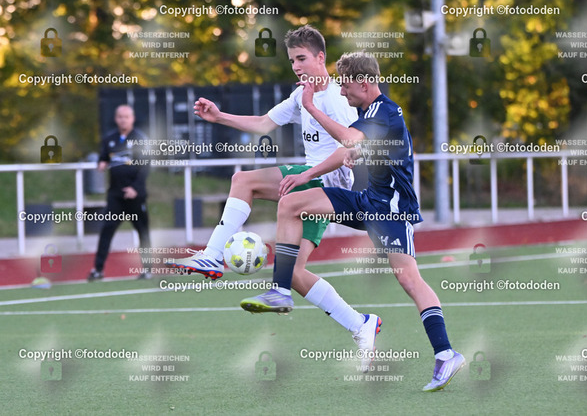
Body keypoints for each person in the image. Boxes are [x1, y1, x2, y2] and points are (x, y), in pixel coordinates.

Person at [241, 52, 465, 391]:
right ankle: (281, 290)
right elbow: (356, 145)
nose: (342, 91)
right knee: (291, 204)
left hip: (391, 212)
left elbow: (350, 138)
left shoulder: (384, 111)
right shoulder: (368, 112)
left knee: (409, 279)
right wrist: (338, 161)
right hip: (366, 201)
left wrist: (311, 107)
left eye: (345, 86)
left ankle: (446, 354)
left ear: (364, 82)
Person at [166, 25, 381, 369]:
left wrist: (307, 173)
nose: (296, 66)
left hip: (325, 183)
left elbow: (349, 147)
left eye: (302, 58)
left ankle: (212, 255)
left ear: (320, 58)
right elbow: (264, 123)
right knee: (294, 272)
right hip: (312, 184)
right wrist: (218, 116)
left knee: (244, 181)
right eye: (292, 60)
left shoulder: (337, 97)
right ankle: (361, 324)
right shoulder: (300, 96)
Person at [87, 105, 152, 281]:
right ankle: (98, 269)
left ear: (132, 118)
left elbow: (145, 167)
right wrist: (101, 162)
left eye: (126, 117)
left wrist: (135, 188)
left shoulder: (140, 139)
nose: (123, 120)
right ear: (116, 119)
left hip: (135, 196)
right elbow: (104, 157)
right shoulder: (110, 139)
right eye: (120, 117)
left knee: (142, 231)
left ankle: (147, 269)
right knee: (106, 230)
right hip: (115, 195)